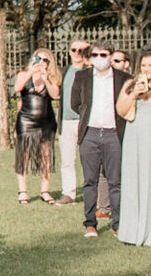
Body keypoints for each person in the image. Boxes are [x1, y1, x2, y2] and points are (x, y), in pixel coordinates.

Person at [70, 42, 126, 239]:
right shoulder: (82, 76)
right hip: (90, 134)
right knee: (90, 182)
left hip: (113, 135)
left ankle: (118, 224)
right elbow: (75, 103)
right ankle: (90, 224)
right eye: (95, 54)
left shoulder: (123, 78)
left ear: (111, 56)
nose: (99, 58)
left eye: (103, 54)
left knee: (115, 182)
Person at [11, 49, 61, 205]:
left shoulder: (52, 77)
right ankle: (22, 191)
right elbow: (17, 88)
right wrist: (30, 73)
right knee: (24, 156)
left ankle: (45, 191)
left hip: (46, 121)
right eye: (39, 58)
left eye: (45, 60)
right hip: (26, 120)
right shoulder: (23, 75)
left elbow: (54, 95)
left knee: (46, 157)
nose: (42, 62)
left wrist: (45, 79)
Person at [113, 50, 151, 246]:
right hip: (135, 137)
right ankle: (132, 230)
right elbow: (121, 110)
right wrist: (135, 93)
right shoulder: (130, 84)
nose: (147, 69)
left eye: (150, 65)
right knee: (134, 178)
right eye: (144, 65)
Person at [59, 40, 89, 209]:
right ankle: (68, 193)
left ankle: (91, 191)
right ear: (69, 51)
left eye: (82, 50)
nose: (77, 52)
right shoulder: (65, 71)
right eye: (74, 49)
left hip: (85, 120)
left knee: (89, 159)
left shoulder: (90, 71)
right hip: (66, 121)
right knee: (67, 159)